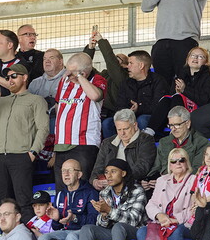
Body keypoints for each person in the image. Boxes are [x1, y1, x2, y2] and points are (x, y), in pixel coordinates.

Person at [0, 63, 49, 216]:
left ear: (24, 78)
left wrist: (32, 153)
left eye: (14, 76)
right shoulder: (0, 101)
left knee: (23, 201)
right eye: (8, 77)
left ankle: (27, 235)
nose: (10, 80)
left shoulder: (36, 100)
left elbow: (43, 129)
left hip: (21, 155)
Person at [140, 0, 209, 86]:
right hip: (162, 41)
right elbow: (145, 6)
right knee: (161, 82)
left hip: (185, 41)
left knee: (185, 80)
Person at [52, 52, 108, 188]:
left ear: (84, 72)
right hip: (62, 143)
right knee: (62, 187)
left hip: (84, 143)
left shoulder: (98, 80)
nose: (67, 75)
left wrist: (79, 77)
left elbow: (95, 96)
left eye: (71, 72)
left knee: (82, 185)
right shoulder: (64, 80)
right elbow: (58, 105)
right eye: (67, 70)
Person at [80, 159, 148, 240]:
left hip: (135, 230)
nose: (109, 176)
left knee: (118, 227)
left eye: (113, 172)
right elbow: (100, 224)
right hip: (112, 231)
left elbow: (134, 220)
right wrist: (104, 216)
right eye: (106, 172)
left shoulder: (137, 190)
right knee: (87, 229)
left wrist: (109, 211)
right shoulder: (104, 192)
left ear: (123, 173)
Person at [138, 148, 197, 240]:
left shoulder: (195, 180)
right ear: (170, 165)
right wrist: (159, 215)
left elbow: (194, 209)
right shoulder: (162, 180)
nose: (178, 163)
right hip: (163, 222)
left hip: (184, 224)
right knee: (142, 232)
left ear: (187, 163)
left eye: (181, 160)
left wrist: (174, 220)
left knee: (175, 231)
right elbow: (151, 204)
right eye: (173, 161)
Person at [36, 159, 99, 240]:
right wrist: (56, 219)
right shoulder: (61, 194)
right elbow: (56, 227)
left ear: (79, 175)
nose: (66, 174)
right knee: (43, 238)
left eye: (70, 170)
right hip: (65, 232)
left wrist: (75, 218)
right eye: (63, 171)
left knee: (71, 237)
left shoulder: (90, 193)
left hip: (84, 233)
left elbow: (94, 221)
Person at [92, 109, 156, 189]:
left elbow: (142, 167)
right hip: (109, 187)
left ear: (135, 125)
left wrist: (118, 178)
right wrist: (95, 181)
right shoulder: (107, 143)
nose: (122, 133)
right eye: (119, 129)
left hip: (133, 185)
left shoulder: (146, 140)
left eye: (126, 129)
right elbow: (98, 167)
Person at [112, 50, 168, 138]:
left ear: (141, 65)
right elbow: (119, 106)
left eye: (131, 63)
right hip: (128, 118)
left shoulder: (158, 81)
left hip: (151, 120)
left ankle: (142, 148)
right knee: (107, 123)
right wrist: (128, 112)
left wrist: (139, 109)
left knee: (141, 120)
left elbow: (158, 107)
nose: (127, 66)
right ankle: (115, 150)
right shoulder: (125, 83)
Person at [147, 105, 210, 180]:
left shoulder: (201, 143)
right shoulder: (164, 142)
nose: (173, 129)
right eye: (170, 125)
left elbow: (196, 170)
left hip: (186, 184)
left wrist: (172, 179)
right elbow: (156, 167)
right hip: (163, 183)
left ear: (187, 124)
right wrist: (149, 179)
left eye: (177, 125)